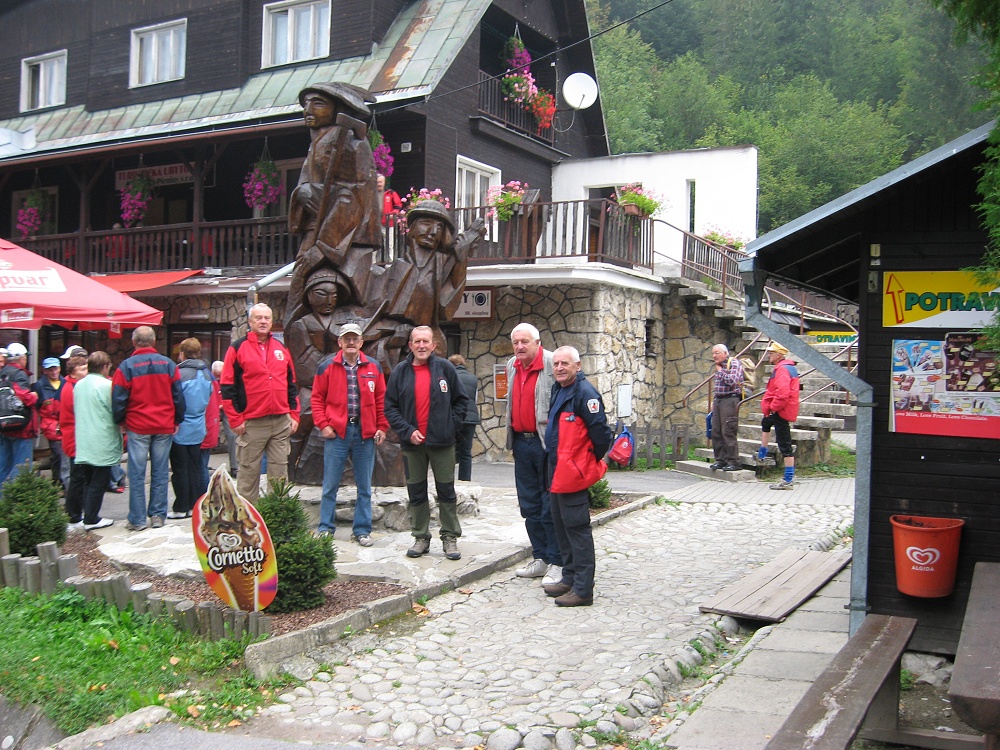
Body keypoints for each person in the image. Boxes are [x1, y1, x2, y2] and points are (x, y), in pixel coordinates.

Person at [286, 81, 381, 329]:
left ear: (337, 109)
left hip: (342, 237)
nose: (308, 109)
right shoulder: (316, 143)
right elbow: (306, 184)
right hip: (317, 227)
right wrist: (302, 193)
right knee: (300, 286)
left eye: (318, 104)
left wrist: (324, 247)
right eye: (305, 104)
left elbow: (358, 194)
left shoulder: (353, 145)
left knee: (331, 289)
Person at [384, 326, 469, 560]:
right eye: (417, 341)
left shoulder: (445, 369)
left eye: (426, 341)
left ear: (434, 345)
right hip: (413, 446)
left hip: (442, 444)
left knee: (446, 492)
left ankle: (450, 537)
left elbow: (462, 401)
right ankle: (421, 537)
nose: (421, 345)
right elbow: (390, 408)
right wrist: (407, 431)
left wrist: (449, 426)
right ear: (410, 345)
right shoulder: (400, 372)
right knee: (416, 492)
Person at [542, 346, 612, 607]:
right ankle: (569, 578)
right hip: (557, 470)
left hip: (572, 473)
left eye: (565, 363)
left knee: (577, 529)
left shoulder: (586, 393)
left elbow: (602, 435)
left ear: (577, 366)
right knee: (561, 526)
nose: (559, 367)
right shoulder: (559, 389)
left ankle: (583, 590)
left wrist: (584, 462)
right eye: (556, 363)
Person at [311, 322, 388, 544]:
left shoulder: (374, 367)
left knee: (364, 486)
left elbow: (381, 399)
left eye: (355, 338)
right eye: (347, 338)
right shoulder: (326, 367)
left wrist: (381, 426)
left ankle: (362, 530)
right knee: (330, 484)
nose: (351, 342)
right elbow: (316, 398)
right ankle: (326, 527)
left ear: (362, 342)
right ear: (340, 342)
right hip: (338, 434)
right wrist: (323, 424)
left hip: (365, 434)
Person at [220, 303, 300, 502]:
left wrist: (294, 413)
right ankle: (248, 523)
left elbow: (291, 383)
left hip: (281, 421)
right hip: (252, 423)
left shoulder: (281, 349)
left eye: (267, 318)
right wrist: (236, 419)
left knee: (280, 474)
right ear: (250, 321)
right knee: (248, 474)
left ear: (272, 322)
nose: (263, 321)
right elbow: (227, 386)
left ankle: (277, 519)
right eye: (259, 318)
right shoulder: (237, 348)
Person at [504, 323, 562, 586]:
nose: (519, 347)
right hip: (521, 443)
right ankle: (540, 557)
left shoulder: (552, 363)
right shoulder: (511, 366)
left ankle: (556, 561)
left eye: (524, 342)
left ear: (538, 342)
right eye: (516, 342)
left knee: (550, 505)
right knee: (529, 505)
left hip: (546, 445)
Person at [112, 326, 185, 531]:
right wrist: (177, 420)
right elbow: (178, 396)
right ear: (153, 342)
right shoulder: (169, 365)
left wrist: (120, 420)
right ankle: (158, 515)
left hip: (138, 425)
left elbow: (118, 397)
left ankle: (137, 519)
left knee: (136, 473)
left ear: (134, 342)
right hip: (163, 425)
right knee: (160, 472)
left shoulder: (126, 367)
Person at [73, 351, 120, 531]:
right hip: (102, 438)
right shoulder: (107, 385)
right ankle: (92, 518)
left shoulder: (79, 385)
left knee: (88, 480)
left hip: (84, 438)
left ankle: (88, 514)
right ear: (105, 366)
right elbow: (115, 410)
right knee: (99, 481)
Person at [168, 338, 213, 519]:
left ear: (182, 354)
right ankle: (196, 504)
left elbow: (176, 399)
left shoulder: (179, 373)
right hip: (198, 424)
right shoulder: (207, 373)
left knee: (180, 468)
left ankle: (181, 506)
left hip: (181, 425)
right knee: (195, 466)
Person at [757, 342, 801, 490]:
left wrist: (773, 407)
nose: (769, 355)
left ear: (779, 355)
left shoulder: (782, 370)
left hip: (781, 410)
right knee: (766, 423)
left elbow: (783, 393)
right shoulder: (786, 367)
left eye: (771, 352)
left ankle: (788, 479)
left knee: (785, 444)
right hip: (781, 409)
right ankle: (762, 453)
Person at [0, 342, 39, 484]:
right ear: (21, 358)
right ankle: (13, 502)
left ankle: (2, 502)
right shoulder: (19, 374)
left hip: (4, 427)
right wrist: (34, 395)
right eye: (25, 357)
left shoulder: (2, 372)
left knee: (4, 466)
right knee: (22, 468)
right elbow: (26, 398)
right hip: (21, 428)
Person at [59, 354, 88, 531]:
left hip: (77, 437)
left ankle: (77, 512)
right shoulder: (71, 388)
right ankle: (73, 515)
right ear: (73, 372)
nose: (86, 371)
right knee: (77, 478)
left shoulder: (73, 386)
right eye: (82, 368)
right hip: (75, 438)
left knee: (80, 478)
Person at [709, 344, 744, 472]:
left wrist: (720, 371)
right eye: (713, 353)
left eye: (717, 353)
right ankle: (720, 460)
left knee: (728, 430)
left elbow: (732, 381)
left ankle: (734, 461)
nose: (714, 356)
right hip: (719, 400)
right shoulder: (720, 366)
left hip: (730, 399)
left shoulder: (734, 363)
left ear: (725, 353)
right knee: (716, 431)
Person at [33, 357, 65, 490]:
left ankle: (62, 481)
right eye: (50, 369)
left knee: (65, 454)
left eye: (55, 369)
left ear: (60, 369)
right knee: (58, 453)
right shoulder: (39, 386)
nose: (53, 372)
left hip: (65, 422)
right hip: (51, 425)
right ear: (44, 371)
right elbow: (36, 407)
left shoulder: (65, 382)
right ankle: (58, 481)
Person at [448, 354, 480, 482]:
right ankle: (465, 480)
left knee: (450, 450)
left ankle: (448, 479)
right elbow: (475, 398)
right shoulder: (473, 378)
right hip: (471, 417)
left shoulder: (450, 377)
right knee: (466, 452)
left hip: (454, 417)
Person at [213, 360, 239, 478]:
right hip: (213, 407)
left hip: (226, 407)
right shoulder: (210, 379)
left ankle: (235, 467)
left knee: (232, 436)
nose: (219, 377)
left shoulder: (230, 377)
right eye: (216, 375)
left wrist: (223, 404)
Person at [201, 361, 223, 493]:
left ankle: (203, 495)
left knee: (199, 466)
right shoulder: (211, 380)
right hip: (209, 423)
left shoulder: (209, 380)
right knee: (202, 464)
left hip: (200, 426)